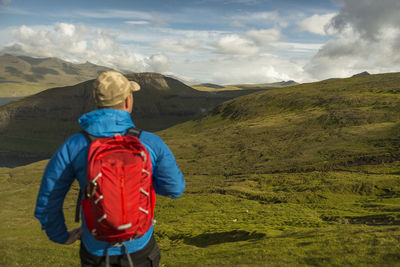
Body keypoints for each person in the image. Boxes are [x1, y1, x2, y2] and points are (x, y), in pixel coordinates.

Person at [34, 71, 185, 267]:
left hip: (95, 251)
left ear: (97, 102)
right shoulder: (150, 143)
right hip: (140, 250)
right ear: (127, 101)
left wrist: (60, 236)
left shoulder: (75, 145)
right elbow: (175, 189)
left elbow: (49, 196)